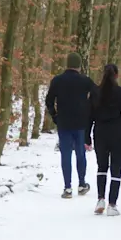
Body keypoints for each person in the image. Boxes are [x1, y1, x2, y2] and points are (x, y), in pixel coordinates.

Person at [45, 52, 98, 199]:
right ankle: (81, 184)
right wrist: (89, 108)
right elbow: (97, 94)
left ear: (67, 64)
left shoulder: (57, 81)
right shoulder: (85, 81)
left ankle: (67, 187)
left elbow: (49, 100)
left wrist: (55, 116)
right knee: (80, 153)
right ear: (79, 66)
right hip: (81, 122)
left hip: (63, 122)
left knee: (66, 154)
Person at [86, 64, 121, 216]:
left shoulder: (95, 93)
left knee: (102, 167)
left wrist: (87, 136)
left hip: (100, 131)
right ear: (116, 75)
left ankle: (100, 198)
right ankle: (112, 204)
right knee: (116, 169)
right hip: (118, 132)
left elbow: (89, 116)